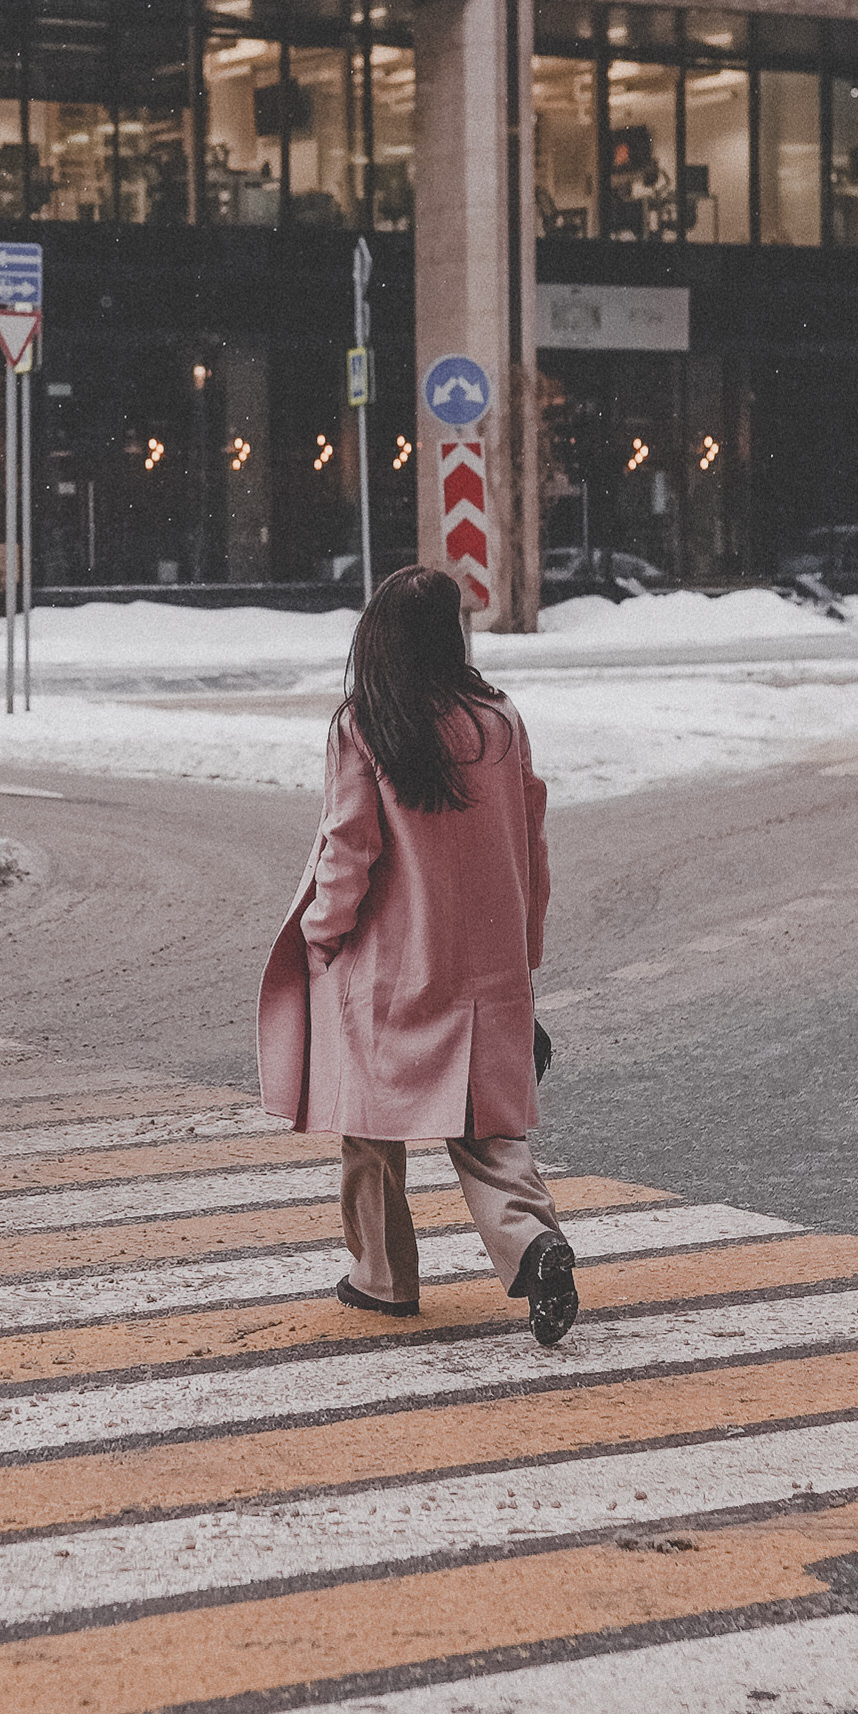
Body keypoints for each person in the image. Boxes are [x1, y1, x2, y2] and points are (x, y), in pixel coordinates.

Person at [257, 565, 578, 1352]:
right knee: (486, 1128)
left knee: (368, 1127)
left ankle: (382, 1280)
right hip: (487, 967)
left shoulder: (365, 724)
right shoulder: (497, 722)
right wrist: (524, 952)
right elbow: (530, 847)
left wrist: (320, 935)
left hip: (389, 967)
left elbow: (348, 848)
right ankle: (534, 1245)